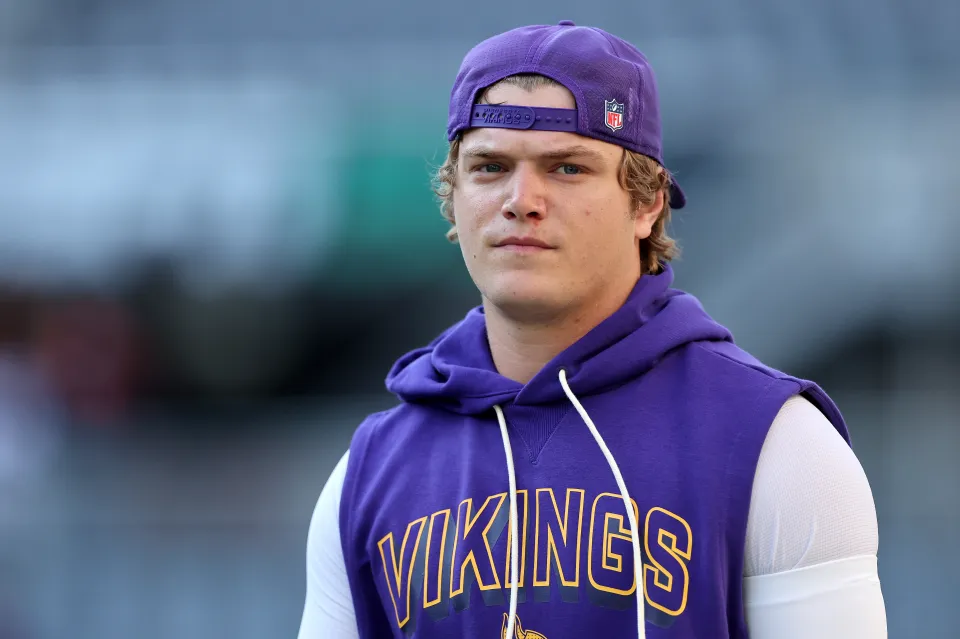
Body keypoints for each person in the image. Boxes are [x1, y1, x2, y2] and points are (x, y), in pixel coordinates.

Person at [298, 21, 887, 639]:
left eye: (567, 168)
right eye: (490, 166)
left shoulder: (779, 445)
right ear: (454, 196)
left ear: (646, 203)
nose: (521, 199)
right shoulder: (367, 474)